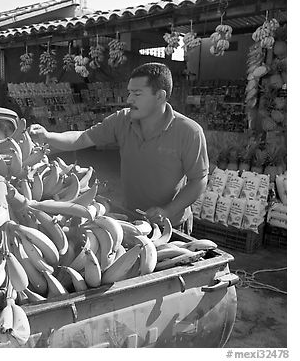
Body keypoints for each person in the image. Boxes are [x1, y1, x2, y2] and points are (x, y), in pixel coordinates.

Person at [29, 62, 209, 234]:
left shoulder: (189, 132)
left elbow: (198, 180)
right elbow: (82, 138)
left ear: (160, 96)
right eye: (129, 92)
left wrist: (168, 211)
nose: (129, 99)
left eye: (137, 94)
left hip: (171, 223)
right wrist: (48, 136)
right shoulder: (122, 120)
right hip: (131, 216)